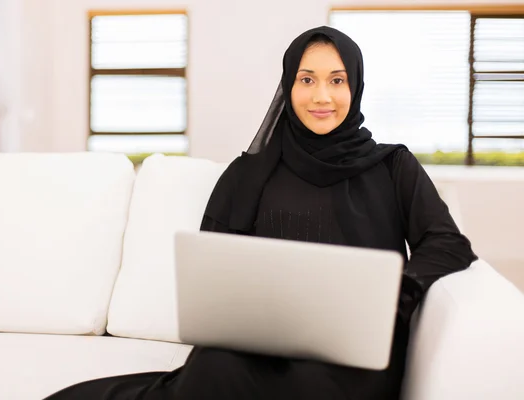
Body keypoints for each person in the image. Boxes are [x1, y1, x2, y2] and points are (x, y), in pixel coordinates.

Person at [45, 25, 477, 400]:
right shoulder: (248, 172)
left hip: (354, 351)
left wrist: (397, 295)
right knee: (215, 371)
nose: (321, 96)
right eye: (307, 79)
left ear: (355, 86)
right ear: (288, 86)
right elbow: (213, 263)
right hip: (258, 346)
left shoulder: (393, 165)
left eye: (337, 80)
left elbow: (447, 243)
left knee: (312, 388)